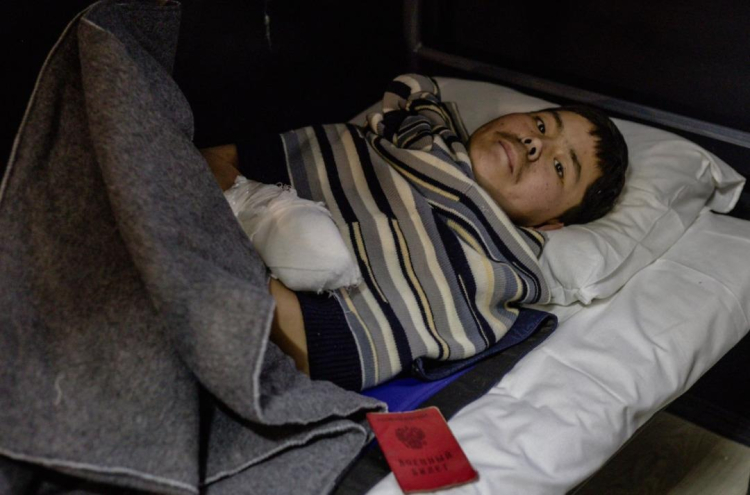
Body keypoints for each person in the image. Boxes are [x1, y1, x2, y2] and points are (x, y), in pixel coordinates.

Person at [201, 74, 628, 390]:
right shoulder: (391, 139)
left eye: (559, 166)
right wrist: (259, 208)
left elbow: (294, 338)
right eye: (541, 125)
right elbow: (206, 159)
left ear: (551, 224)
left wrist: (222, 230)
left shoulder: (480, 279)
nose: (535, 144)